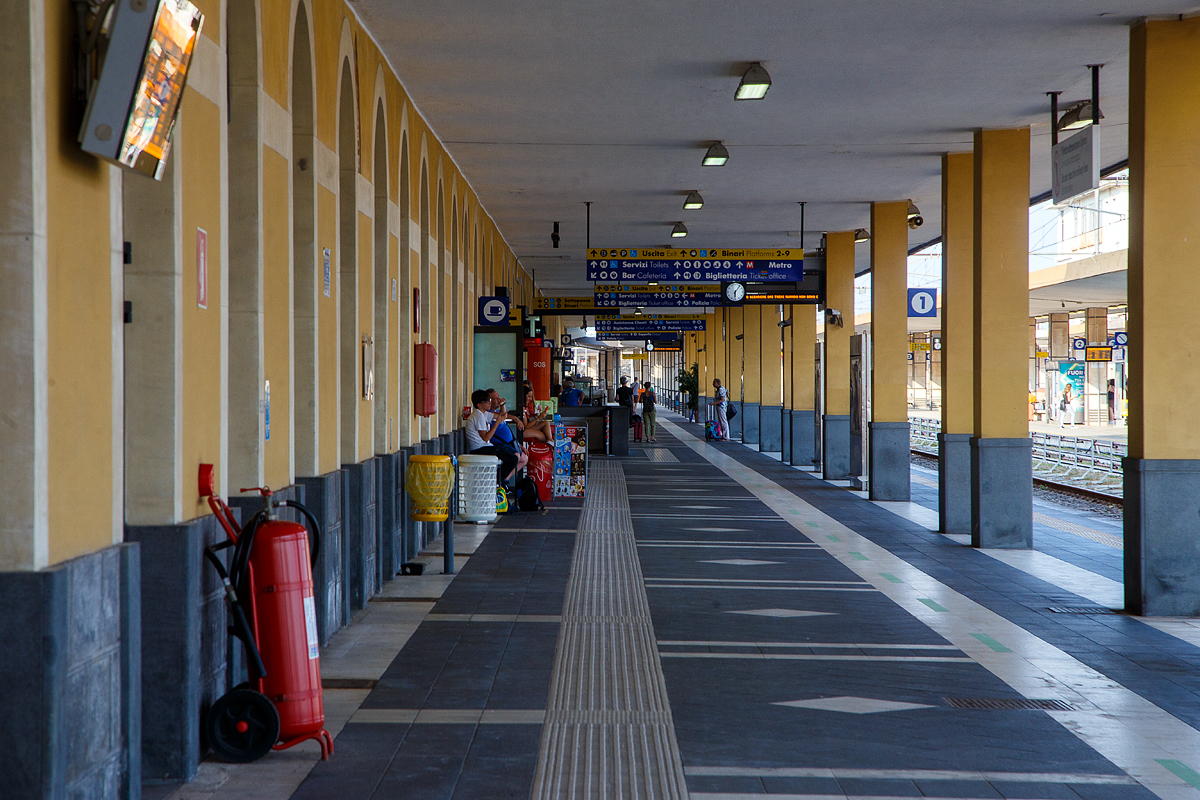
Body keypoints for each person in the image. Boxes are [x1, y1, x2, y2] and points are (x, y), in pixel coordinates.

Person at [465, 389, 520, 483]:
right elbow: (486, 437)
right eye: (487, 402)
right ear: (479, 405)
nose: (489, 404)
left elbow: (503, 415)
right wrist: (497, 422)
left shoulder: (483, 414)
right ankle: (496, 482)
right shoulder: (478, 416)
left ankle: (497, 480)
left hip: (485, 447)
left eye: (489, 401)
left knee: (512, 456)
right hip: (479, 449)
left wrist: (502, 405)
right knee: (512, 459)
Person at [486, 389, 530, 482]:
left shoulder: (497, 412)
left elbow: (503, 415)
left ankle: (505, 479)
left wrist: (520, 446)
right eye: (495, 398)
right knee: (516, 456)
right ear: (489, 401)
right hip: (498, 445)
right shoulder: (488, 413)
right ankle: (499, 480)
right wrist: (514, 417)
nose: (498, 399)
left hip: (508, 443)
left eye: (498, 396)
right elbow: (503, 415)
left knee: (524, 458)